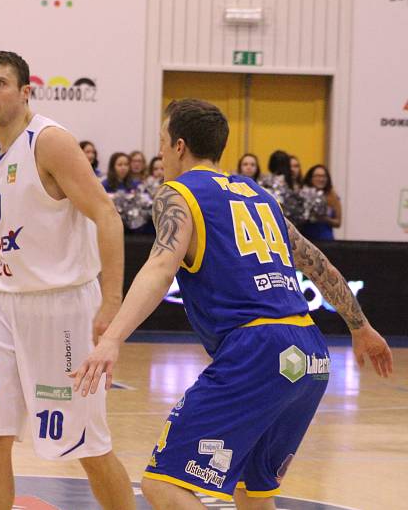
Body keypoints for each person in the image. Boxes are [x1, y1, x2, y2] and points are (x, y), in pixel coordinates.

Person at [70, 99, 393, 510]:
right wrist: (360, 326)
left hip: (256, 351)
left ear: (180, 146)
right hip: (310, 355)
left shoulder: (178, 193)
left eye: (163, 143)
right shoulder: (261, 196)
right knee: (253, 495)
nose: (162, 153)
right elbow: (316, 262)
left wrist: (113, 338)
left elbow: (160, 266)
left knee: (162, 485)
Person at [0, 51, 135, 510]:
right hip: (0, 305)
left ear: (24, 92)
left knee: (86, 445)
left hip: (60, 309)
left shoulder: (50, 142)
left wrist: (112, 301)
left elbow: (107, 215)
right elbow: (5, 244)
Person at [301, 164, 342, 241]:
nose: (321, 179)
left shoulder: (333, 196)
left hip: (326, 239)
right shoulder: (302, 194)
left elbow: (338, 222)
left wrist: (324, 219)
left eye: (324, 176)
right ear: (310, 178)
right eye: (317, 176)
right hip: (307, 239)